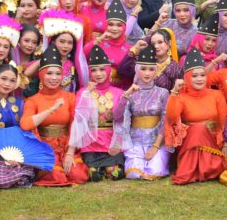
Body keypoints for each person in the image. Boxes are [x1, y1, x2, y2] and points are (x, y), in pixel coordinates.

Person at [21, 45, 89, 186]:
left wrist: (70, 153)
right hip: (44, 148)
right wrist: (51, 109)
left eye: (58, 74)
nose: (54, 78)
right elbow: (25, 124)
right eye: (49, 73)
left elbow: (76, 127)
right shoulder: (33, 100)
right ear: (41, 75)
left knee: (78, 175)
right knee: (57, 177)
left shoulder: (70, 97)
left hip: (67, 145)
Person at [164, 48, 227, 184]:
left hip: (213, 141)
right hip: (190, 142)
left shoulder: (216, 95)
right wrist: (174, 92)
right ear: (187, 77)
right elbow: (171, 118)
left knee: (200, 131)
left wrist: (224, 144)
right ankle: (193, 170)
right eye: (194, 76)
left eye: (202, 75)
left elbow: (224, 122)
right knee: (197, 130)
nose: (200, 79)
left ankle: (202, 169)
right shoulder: (181, 96)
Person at [112, 44, 171, 180]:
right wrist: (126, 95)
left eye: (151, 69)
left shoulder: (163, 93)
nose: (147, 73)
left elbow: (166, 120)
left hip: (157, 142)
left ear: (156, 71)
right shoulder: (130, 93)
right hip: (135, 143)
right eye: (143, 69)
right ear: (137, 70)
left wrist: (155, 147)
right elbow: (117, 117)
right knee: (134, 173)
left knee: (154, 171)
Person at [70, 45, 125, 181]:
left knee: (115, 172)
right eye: (93, 70)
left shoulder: (119, 93)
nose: (98, 74)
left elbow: (122, 121)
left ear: (109, 70)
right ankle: (96, 170)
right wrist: (87, 93)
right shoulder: (83, 92)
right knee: (94, 174)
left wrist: (118, 142)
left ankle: (107, 169)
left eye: (102, 69)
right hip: (91, 143)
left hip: (111, 141)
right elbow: (78, 118)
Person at [85, 0, 131, 88]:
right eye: (110, 24)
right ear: (106, 25)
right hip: (96, 90)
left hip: (120, 91)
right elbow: (84, 54)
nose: (114, 29)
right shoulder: (98, 43)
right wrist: (100, 39)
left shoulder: (129, 49)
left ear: (124, 28)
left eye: (119, 25)